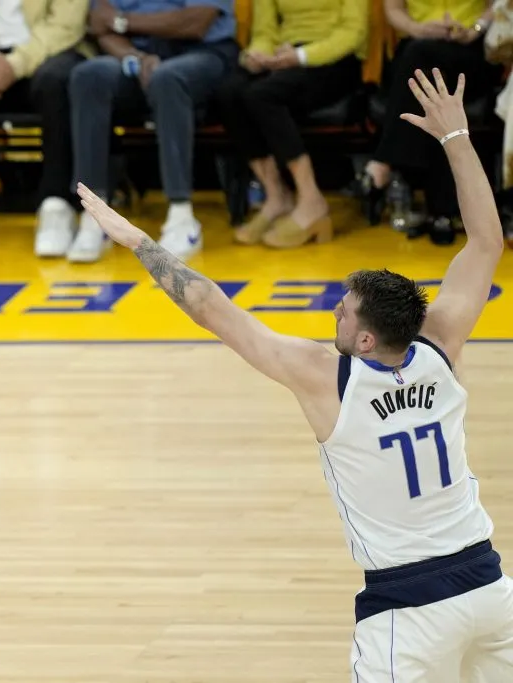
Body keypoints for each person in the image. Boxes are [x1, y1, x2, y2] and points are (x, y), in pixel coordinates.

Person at [76, 69, 512, 681]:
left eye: (344, 309)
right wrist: (457, 136)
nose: (334, 309)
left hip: (409, 609)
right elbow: (487, 242)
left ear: (365, 338)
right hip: (490, 590)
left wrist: (137, 240)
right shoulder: (440, 344)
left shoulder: (328, 377)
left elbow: (210, 308)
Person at [65, 0, 237, 263]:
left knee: (167, 78)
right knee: (88, 76)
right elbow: (101, 25)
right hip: (138, 53)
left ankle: (182, 218)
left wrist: (123, 21)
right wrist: (135, 57)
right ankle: (95, 216)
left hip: (202, 53)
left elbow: (198, 22)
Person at [0, 0, 91, 257]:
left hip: (51, 53)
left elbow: (67, 25)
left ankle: (56, 205)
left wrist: (16, 63)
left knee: (55, 82)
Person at [215, 0, 367, 249]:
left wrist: (300, 56)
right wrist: (259, 55)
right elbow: (265, 32)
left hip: (333, 59)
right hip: (284, 54)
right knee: (229, 93)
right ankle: (276, 196)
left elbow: (354, 32)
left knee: (262, 94)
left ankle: (311, 200)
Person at [357, 0, 502, 244]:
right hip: (417, 44)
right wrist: (418, 29)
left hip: (472, 50)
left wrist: (475, 29)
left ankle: (383, 162)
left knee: (420, 67)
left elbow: (499, 5)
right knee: (426, 79)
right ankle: (442, 213)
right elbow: (393, 9)